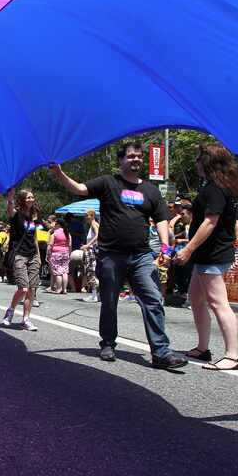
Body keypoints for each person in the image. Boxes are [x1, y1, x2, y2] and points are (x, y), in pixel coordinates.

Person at [50, 143, 187, 368]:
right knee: (110, 302)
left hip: (141, 256)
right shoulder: (108, 182)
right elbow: (79, 189)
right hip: (111, 256)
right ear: (121, 160)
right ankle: (108, 343)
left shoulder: (151, 190)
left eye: (139, 156)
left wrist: (165, 248)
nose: (136, 160)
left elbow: (162, 219)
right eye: (131, 156)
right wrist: (60, 174)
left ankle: (161, 352)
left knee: (153, 299)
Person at [174, 144, 238, 370]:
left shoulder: (215, 188)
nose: (196, 163)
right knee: (196, 299)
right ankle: (203, 349)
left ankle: (232, 356)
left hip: (212, 254)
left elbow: (210, 222)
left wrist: (188, 249)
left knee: (218, 303)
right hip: (207, 255)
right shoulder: (220, 186)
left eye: (198, 159)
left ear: (208, 162)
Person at [3, 189, 41, 330]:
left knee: (31, 289)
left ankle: (26, 319)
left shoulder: (34, 216)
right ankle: (11, 310)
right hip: (19, 254)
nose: (32, 199)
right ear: (23, 200)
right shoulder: (17, 214)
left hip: (33, 256)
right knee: (23, 288)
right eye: (29, 197)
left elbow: (34, 237)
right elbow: (9, 210)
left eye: (32, 196)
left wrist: (38, 256)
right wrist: (10, 198)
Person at [46, 218, 70, 294]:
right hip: (66, 253)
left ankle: (59, 289)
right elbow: (70, 245)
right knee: (65, 271)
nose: (55, 225)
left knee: (58, 272)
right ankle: (64, 289)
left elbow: (50, 245)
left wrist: (47, 254)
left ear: (59, 225)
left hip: (56, 254)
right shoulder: (67, 233)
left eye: (56, 224)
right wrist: (69, 253)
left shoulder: (55, 233)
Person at [81, 209, 100, 302]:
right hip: (93, 250)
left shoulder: (93, 224)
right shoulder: (95, 224)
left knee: (91, 272)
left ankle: (94, 295)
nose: (85, 217)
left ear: (92, 216)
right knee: (94, 272)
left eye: (86, 215)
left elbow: (97, 235)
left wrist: (88, 245)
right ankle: (95, 294)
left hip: (91, 251)